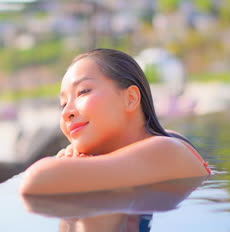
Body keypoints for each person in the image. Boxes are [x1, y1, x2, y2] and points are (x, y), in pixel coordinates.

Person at [19, 48, 211, 195]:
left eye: (83, 91)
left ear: (130, 99)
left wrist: (74, 167)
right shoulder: (162, 141)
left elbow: (36, 179)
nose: (66, 112)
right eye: (62, 104)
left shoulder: (166, 149)